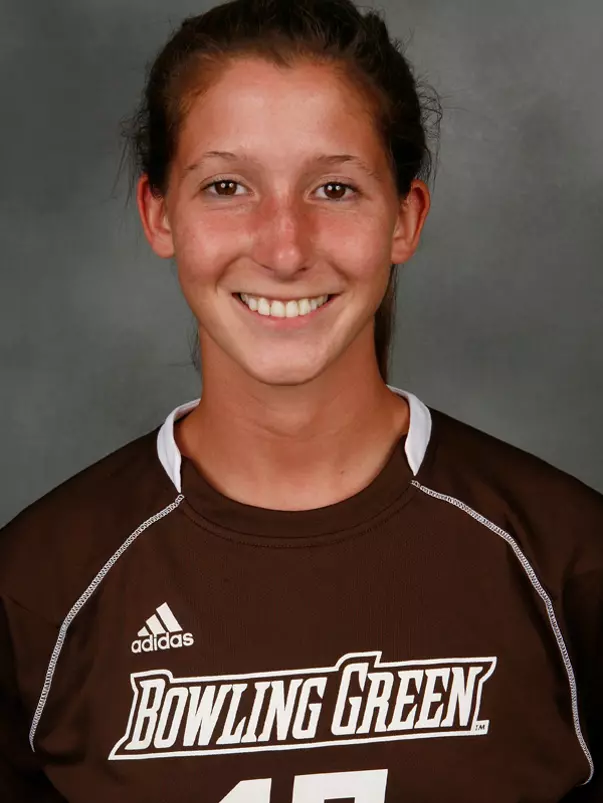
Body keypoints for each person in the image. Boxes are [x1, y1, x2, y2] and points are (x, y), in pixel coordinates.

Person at [0, 0, 601, 800]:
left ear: (404, 218)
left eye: (334, 188)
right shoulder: (38, 585)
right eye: (225, 185)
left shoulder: (566, 562)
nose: (284, 247)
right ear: (158, 213)